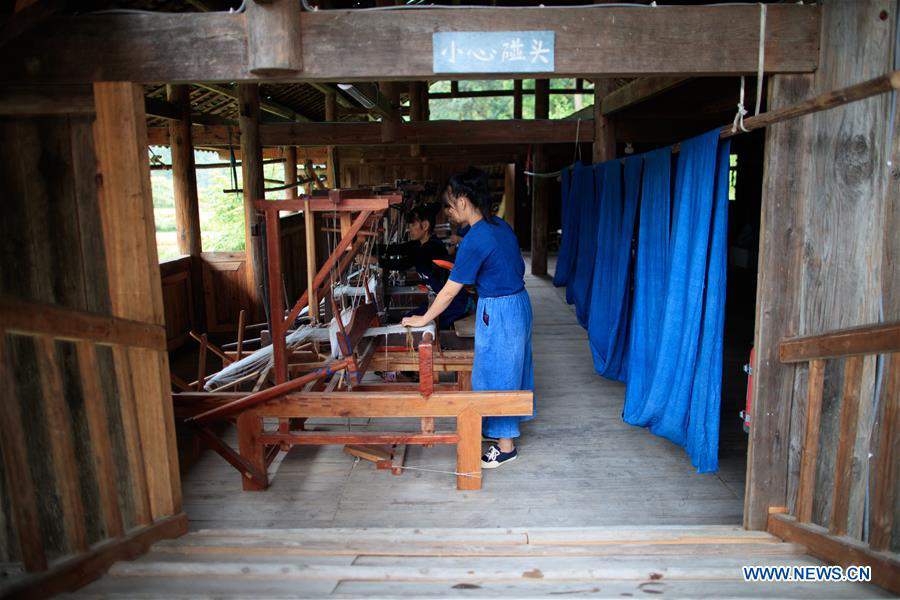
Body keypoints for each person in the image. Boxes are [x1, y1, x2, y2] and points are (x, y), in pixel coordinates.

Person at [402, 167, 534, 469]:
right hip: (518, 304)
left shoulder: (477, 238)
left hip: (501, 310)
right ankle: (502, 433)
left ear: (463, 200)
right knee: (509, 370)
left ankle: (505, 447)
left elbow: (449, 292)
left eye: (450, 203)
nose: (449, 210)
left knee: (498, 375)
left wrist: (424, 318)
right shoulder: (499, 225)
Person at [379, 204, 469, 329]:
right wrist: (373, 248)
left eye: (412, 225)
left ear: (425, 226)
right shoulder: (419, 244)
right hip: (438, 300)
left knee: (414, 326)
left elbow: (402, 264)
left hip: (454, 303)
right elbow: (398, 249)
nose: (409, 229)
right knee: (406, 319)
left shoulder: (433, 248)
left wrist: (375, 261)